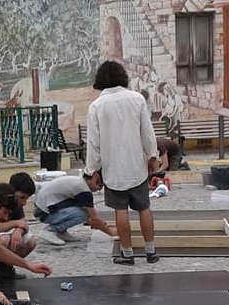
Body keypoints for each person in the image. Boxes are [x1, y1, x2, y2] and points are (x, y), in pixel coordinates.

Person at [84, 60, 160, 265]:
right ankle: (151, 252)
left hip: (113, 170)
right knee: (144, 208)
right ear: (122, 77)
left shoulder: (96, 106)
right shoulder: (137, 99)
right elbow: (147, 132)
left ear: (100, 80)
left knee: (121, 211)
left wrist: (91, 170)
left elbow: (93, 142)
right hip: (137, 167)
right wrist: (152, 156)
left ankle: (127, 253)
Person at [33, 172, 117, 245]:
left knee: (82, 210)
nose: (99, 189)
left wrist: (99, 223)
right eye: (99, 185)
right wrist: (111, 232)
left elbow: (92, 218)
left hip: (42, 209)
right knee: (83, 214)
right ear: (92, 179)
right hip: (43, 212)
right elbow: (93, 217)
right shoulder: (84, 190)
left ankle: (61, 232)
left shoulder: (79, 182)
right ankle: (49, 231)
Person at [0, 172, 37, 280]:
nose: (24, 202)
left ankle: (5, 269)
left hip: (9, 231)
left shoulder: (17, 203)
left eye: (26, 198)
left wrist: (18, 231)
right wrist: (15, 225)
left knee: (31, 241)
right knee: (3, 241)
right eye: (22, 197)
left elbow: (23, 222)